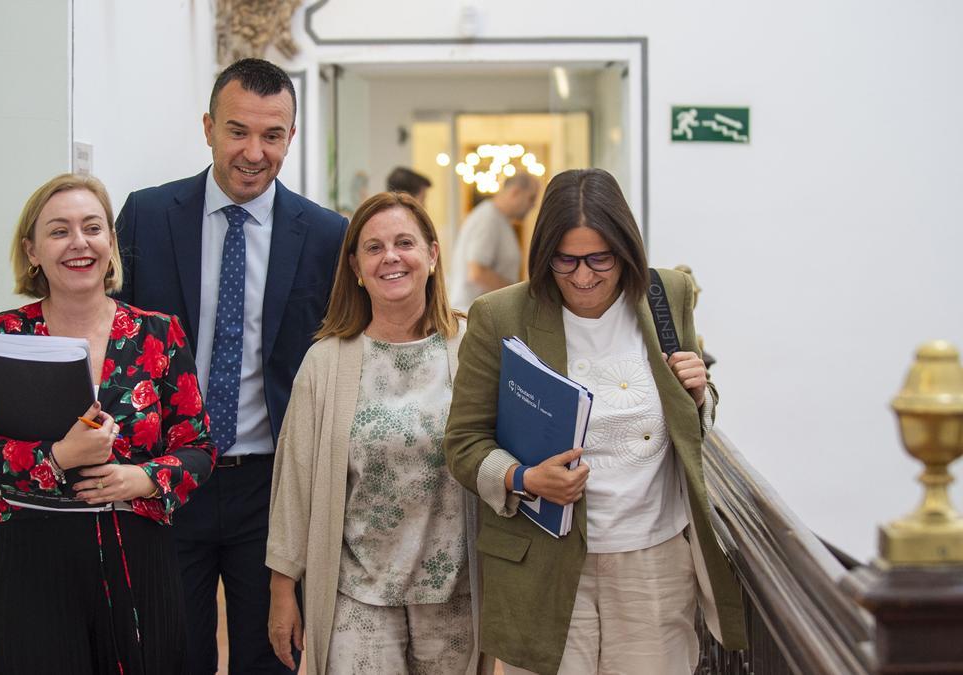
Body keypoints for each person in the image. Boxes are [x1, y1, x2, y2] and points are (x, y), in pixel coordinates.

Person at [443, 168, 746, 674]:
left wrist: (699, 394)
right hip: (543, 559)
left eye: (599, 259)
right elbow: (463, 442)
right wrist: (524, 478)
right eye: (565, 260)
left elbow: (696, 407)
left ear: (626, 251)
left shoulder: (666, 295)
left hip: (653, 555)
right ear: (543, 255)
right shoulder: (501, 315)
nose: (583, 276)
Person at [114, 57, 348, 673]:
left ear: (290, 137)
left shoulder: (326, 235)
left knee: (270, 656)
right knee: (170, 653)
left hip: (272, 486)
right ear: (208, 127)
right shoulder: (146, 214)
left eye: (272, 135)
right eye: (237, 130)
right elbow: (113, 340)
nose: (254, 151)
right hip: (168, 478)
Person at [0, 173, 216, 674]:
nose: (79, 243)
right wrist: (58, 459)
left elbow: (198, 447)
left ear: (111, 243)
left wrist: (142, 478)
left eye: (93, 228)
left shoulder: (157, 333)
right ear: (32, 251)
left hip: (139, 555)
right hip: (31, 560)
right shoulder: (1, 333)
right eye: (59, 231)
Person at [265, 192, 483, 675]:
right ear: (356, 267)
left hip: (455, 593)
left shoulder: (471, 349)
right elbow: (294, 485)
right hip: (357, 592)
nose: (391, 257)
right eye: (374, 247)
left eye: (405, 242)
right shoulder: (325, 362)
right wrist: (284, 591)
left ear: (432, 253)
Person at [447, 172, 540, 310]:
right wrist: (520, 296)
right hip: (473, 314)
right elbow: (477, 273)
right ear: (515, 193)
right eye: (531, 198)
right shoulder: (488, 219)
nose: (533, 205)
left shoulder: (499, 219)